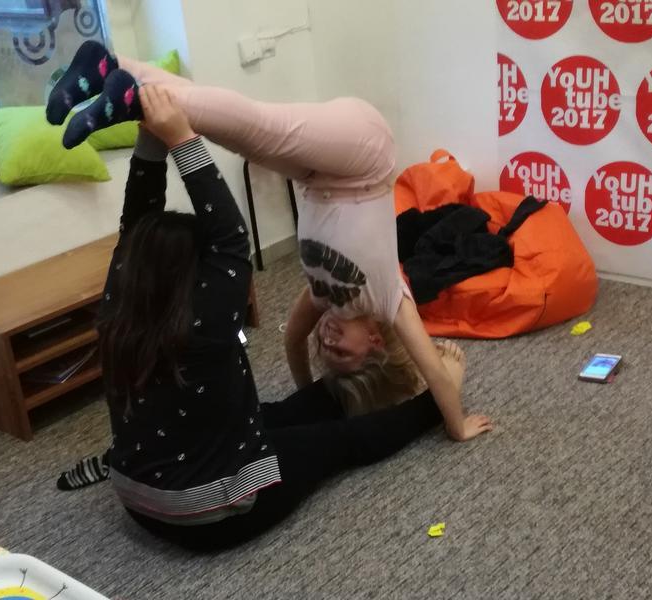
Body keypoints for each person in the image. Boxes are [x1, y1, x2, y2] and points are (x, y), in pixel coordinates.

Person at [46, 60, 466, 551]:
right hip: (208, 515)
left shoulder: (121, 293)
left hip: (136, 494)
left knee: (274, 414)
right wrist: (181, 139)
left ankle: (117, 71)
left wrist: (154, 137)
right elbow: (229, 235)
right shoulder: (206, 320)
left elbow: (139, 216)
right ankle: (423, 409)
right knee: (339, 443)